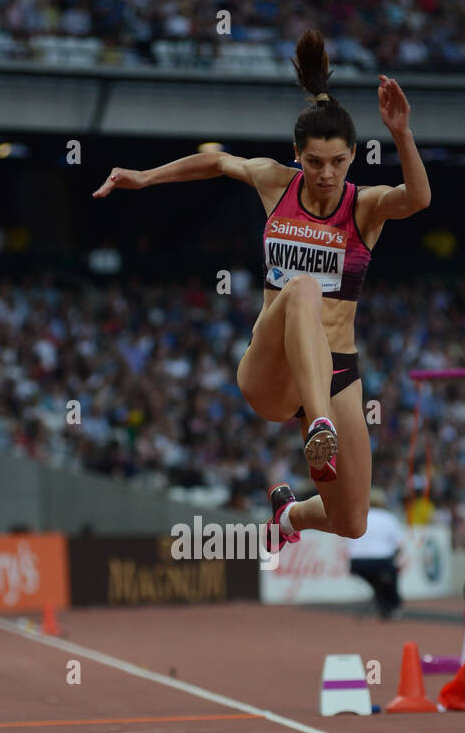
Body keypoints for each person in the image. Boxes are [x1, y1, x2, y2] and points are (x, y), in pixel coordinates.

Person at [93, 27, 431, 551]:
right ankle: (319, 424)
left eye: (338, 162)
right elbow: (216, 161)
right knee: (301, 290)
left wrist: (403, 134)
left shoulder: (364, 206)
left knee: (352, 520)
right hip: (272, 367)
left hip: (338, 366)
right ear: (297, 155)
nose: (325, 174)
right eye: (314, 162)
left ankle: (288, 514)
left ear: (353, 158)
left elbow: (418, 198)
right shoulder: (276, 182)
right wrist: (144, 177)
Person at [349, 487, 405, 618]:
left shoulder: (356, 516)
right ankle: (393, 604)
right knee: (390, 576)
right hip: (381, 561)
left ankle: (382, 602)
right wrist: (394, 559)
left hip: (357, 564)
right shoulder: (389, 518)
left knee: (378, 581)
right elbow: (399, 545)